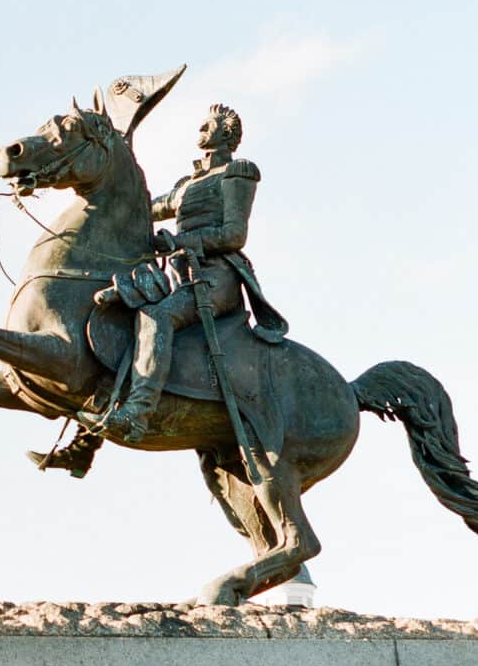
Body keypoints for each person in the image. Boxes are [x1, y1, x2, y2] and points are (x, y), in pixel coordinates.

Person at [30, 103, 286, 469]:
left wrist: (180, 242)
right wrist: (110, 185)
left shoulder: (237, 172)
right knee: (116, 318)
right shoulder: (186, 184)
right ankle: (85, 445)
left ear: (227, 133)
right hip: (181, 276)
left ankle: (137, 412)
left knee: (156, 317)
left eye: (210, 123)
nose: (201, 127)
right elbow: (141, 209)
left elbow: (234, 234)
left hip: (216, 278)